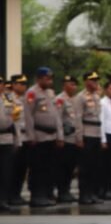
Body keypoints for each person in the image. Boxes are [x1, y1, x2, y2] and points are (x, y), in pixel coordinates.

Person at [24, 67, 64, 207]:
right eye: (47, 79)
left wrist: (60, 135)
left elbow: (56, 116)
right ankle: (37, 196)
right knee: (38, 168)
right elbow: (28, 115)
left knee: (49, 167)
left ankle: (47, 194)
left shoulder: (51, 93)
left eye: (51, 78)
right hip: (39, 135)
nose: (50, 81)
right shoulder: (32, 93)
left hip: (51, 136)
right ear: (39, 79)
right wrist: (31, 136)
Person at [74, 72, 104, 205]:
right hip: (86, 133)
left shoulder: (97, 97)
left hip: (96, 133)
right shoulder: (80, 97)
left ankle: (92, 193)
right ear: (86, 82)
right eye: (92, 80)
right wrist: (79, 137)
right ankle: (84, 194)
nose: (95, 82)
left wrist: (101, 137)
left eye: (96, 80)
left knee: (95, 166)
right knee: (85, 166)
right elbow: (77, 118)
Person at [55, 75, 80, 203]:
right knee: (62, 167)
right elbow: (58, 119)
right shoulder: (60, 99)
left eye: (75, 85)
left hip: (74, 138)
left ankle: (67, 190)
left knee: (71, 166)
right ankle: (62, 191)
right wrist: (60, 137)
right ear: (64, 85)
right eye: (71, 84)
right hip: (65, 138)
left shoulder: (76, 100)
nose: (73, 87)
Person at [0, 76, 20, 212]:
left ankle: (3, 199)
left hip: (6, 138)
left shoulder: (9, 100)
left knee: (6, 171)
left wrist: (17, 139)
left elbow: (15, 121)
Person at [8, 74, 28, 206]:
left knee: (22, 168)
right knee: (13, 168)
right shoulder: (9, 99)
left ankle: (17, 194)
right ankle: (10, 195)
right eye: (21, 84)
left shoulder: (25, 99)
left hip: (26, 136)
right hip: (16, 137)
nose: (23, 86)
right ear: (14, 85)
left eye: (25, 84)